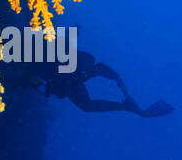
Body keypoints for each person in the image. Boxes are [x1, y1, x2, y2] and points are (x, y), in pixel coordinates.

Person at [31, 50, 172, 117]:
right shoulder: (39, 67)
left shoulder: (80, 68)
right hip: (66, 80)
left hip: (69, 76)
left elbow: (98, 66)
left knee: (85, 97)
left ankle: (128, 106)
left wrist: (119, 82)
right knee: (85, 103)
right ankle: (128, 106)